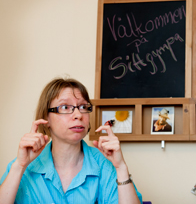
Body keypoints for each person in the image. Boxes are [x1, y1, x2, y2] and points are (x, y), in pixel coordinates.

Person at [0, 77, 143, 204]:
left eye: (83, 107)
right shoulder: (21, 166)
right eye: (65, 107)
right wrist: (20, 166)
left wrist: (121, 168)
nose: (78, 115)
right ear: (46, 118)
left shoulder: (105, 165)